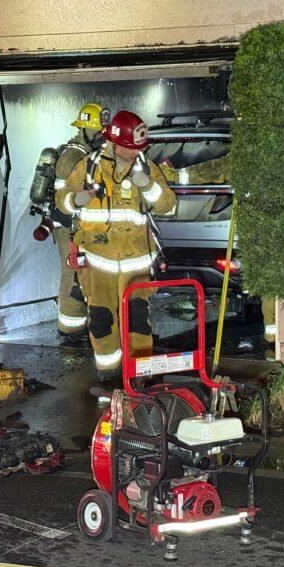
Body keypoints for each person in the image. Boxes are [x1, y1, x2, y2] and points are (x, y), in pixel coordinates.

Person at [56, 110, 176, 380]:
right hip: (98, 262)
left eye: (138, 148)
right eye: (130, 148)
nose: (135, 153)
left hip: (137, 263)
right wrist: (75, 200)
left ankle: (140, 371)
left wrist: (147, 186)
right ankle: (108, 371)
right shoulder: (88, 166)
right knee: (100, 318)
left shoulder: (146, 168)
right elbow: (60, 199)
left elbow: (168, 206)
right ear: (114, 142)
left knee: (137, 319)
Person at [51, 102, 107, 340]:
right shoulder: (73, 156)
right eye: (97, 131)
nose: (101, 136)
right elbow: (65, 198)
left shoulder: (86, 154)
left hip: (79, 224)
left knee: (81, 272)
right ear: (84, 129)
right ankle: (70, 328)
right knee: (71, 272)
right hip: (69, 225)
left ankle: (80, 323)